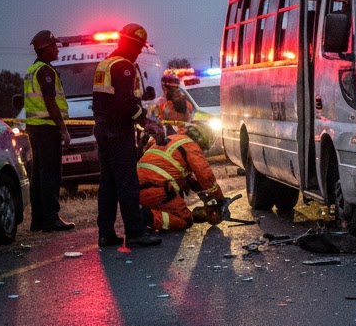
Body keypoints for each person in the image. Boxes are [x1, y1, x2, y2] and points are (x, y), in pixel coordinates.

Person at [92, 23, 162, 248]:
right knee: (127, 183)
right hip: (118, 132)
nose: (139, 51)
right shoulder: (124, 66)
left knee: (108, 183)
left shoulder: (104, 64)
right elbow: (125, 103)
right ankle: (135, 232)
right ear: (129, 43)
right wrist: (146, 121)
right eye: (138, 46)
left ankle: (105, 233)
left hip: (103, 130)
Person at [23, 30, 75, 232]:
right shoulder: (45, 71)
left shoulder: (31, 70)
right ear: (44, 49)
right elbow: (51, 102)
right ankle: (51, 218)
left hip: (35, 128)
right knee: (51, 173)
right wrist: (63, 129)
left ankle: (38, 220)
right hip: (47, 128)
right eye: (54, 46)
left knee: (39, 174)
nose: (57, 49)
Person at [137, 123, 224, 232]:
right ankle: (144, 217)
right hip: (158, 189)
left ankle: (147, 216)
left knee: (170, 213)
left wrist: (205, 197)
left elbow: (189, 179)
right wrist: (219, 198)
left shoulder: (171, 139)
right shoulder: (191, 146)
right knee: (185, 220)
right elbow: (206, 177)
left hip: (138, 188)